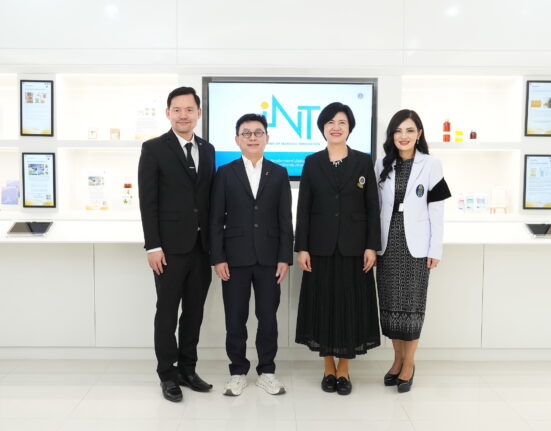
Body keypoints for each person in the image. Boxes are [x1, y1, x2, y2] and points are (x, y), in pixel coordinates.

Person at [294, 102, 381, 396]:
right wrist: (302, 247)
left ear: (350, 128)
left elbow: (372, 207)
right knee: (323, 307)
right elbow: (304, 208)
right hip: (319, 248)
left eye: (342, 122)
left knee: (349, 307)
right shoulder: (312, 162)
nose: (336, 127)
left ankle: (344, 369)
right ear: (322, 127)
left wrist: (372, 246)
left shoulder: (363, 161)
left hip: (354, 249)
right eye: (330, 122)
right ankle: (327, 367)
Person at [138, 86, 215, 402]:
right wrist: (152, 246)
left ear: (199, 113)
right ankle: (167, 375)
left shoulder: (208, 149)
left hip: (201, 247)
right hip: (168, 249)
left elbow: (208, 199)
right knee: (167, 312)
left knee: (194, 313)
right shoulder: (154, 148)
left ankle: (188, 369)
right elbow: (148, 201)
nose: (184, 115)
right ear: (168, 113)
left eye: (189, 109)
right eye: (177, 110)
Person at [210, 113, 293, 397]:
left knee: (268, 318)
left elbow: (285, 219)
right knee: (235, 318)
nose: (252, 137)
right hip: (234, 258)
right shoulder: (225, 173)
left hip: (270, 259)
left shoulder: (279, 173)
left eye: (258, 133)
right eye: (246, 133)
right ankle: (237, 372)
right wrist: (218, 257)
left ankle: (267, 371)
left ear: (267, 138)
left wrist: (284, 257)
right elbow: (215, 219)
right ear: (237, 140)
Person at [375, 109, 451, 393]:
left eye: (409, 130)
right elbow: (375, 207)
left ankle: (409, 363)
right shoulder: (382, 163)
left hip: (416, 246)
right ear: (392, 135)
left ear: (419, 134)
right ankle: (396, 360)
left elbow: (437, 211)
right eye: (398, 131)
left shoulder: (431, 164)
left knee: (412, 308)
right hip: (387, 244)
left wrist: (435, 248)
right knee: (390, 308)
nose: (403, 136)